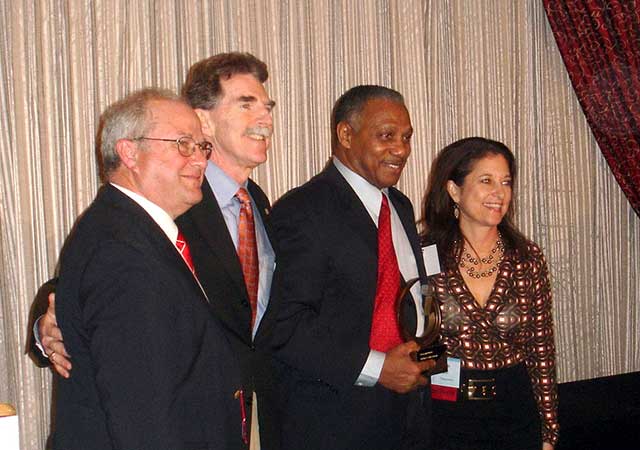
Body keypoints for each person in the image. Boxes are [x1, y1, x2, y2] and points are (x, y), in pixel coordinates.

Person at [34, 53, 280, 449]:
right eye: (246, 103)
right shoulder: (139, 226)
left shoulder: (260, 205)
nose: (198, 157)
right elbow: (140, 404)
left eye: (199, 148)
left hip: (246, 414)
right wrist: (48, 322)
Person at [268, 85, 435, 450]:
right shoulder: (303, 211)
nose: (401, 150)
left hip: (409, 416)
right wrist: (378, 368)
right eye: (386, 136)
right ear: (346, 134)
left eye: (406, 138)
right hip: (335, 422)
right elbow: (285, 326)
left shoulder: (401, 208)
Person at [419, 137, 559, 450]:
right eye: (486, 180)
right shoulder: (425, 255)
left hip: (514, 404)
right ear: (454, 190)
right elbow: (418, 338)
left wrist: (548, 431)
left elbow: (541, 349)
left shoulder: (526, 258)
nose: (500, 193)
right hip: (447, 406)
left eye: (506, 182)